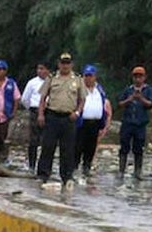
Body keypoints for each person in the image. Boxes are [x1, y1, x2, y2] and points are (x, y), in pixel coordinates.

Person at [36, 52, 84, 191]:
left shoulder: (78, 79)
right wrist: (40, 115)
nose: (65, 65)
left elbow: (82, 99)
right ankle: (43, 174)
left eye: (68, 63)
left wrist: (77, 112)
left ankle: (67, 176)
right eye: (63, 62)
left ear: (72, 64)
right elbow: (43, 97)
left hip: (69, 118)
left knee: (68, 149)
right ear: (59, 64)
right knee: (47, 146)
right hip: (52, 116)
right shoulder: (51, 78)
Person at [117, 66, 152, 180]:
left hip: (140, 124)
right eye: (136, 76)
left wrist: (140, 98)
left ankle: (138, 171)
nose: (138, 79)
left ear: (144, 77)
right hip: (127, 123)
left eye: (140, 76)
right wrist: (130, 98)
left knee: (139, 148)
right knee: (124, 147)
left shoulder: (149, 90)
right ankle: (121, 170)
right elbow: (120, 104)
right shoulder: (128, 90)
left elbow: (150, 104)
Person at [72, 65, 110, 177]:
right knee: (78, 146)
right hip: (82, 122)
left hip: (95, 123)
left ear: (95, 76)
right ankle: (74, 168)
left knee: (91, 147)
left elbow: (103, 105)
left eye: (90, 76)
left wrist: (104, 123)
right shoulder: (79, 88)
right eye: (86, 75)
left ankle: (87, 167)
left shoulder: (100, 90)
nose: (88, 78)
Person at [21, 62, 50, 171]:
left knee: (47, 140)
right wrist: (32, 109)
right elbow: (24, 99)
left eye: (42, 68)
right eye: (38, 68)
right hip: (35, 111)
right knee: (33, 140)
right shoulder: (32, 83)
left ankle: (44, 166)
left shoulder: (53, 82)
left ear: (48, 70)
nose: (39, 71)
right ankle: (31, 165)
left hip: (49, 112)